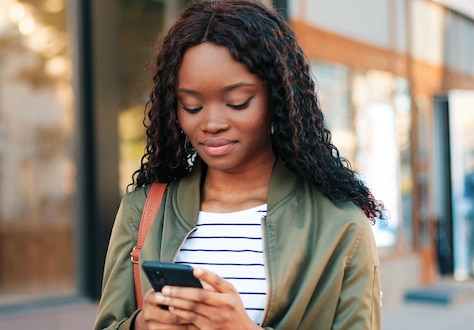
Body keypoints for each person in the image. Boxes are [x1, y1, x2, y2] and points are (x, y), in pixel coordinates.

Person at [94, 1, 385, 329]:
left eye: (237, 102)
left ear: (277, 98)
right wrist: (143, 324)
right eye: (191, 106)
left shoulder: (339, 226)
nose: (212, 123)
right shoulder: (143, 212)